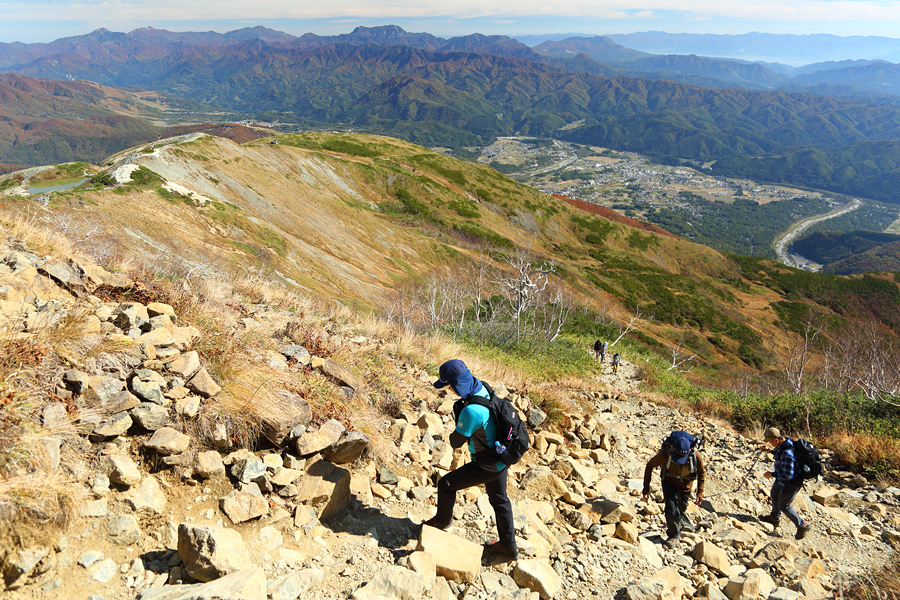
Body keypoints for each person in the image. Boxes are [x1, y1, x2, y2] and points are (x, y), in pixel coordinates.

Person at [422, 359, 518, 560]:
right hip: (502, 455)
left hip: (487, 463)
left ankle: (442, 521)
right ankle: (509, 547)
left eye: (449, 385)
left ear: (455, 384)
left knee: (446, 484)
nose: (449, 389)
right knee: (499, 500)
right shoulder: (480, 386)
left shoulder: (471, 411)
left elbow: (456, 442)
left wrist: (459, 424)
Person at [642, 430, 706, 548]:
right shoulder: (667, 453)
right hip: (669, 482)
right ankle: (674, 535)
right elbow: (650, 465)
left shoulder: (695, 456)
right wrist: (646, 489)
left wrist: (700, 492)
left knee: (681, 509)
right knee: (671, 510)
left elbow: (702, 473)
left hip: (686, 486)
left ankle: (678, 523)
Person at [759, 427, 811, 540]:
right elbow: (778, 452)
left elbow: (788, 475)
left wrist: (771, 474)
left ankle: (802, 525)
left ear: (776, 440)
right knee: (775, 493)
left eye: (770, 442)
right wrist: (769, 450)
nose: (770, 444)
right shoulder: (783, 444)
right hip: (782, 479)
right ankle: (774, 518)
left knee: (784, 505)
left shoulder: (787, 453)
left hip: (792, 482)